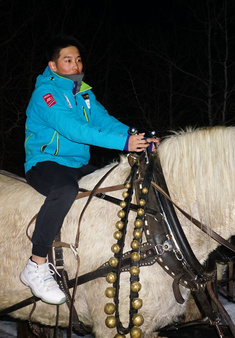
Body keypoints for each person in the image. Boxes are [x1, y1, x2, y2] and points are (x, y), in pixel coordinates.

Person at [21, 35, 159, 305]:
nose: (75, 64)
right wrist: (123, 143)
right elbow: (73, 129)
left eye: (78, 60)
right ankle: (35, 264)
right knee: (64, 189)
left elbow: (104, 121)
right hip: (45, 162)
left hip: (77, 164)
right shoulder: (45, 94)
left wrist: (138, 138)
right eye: (68, 60)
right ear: (53, 65)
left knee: (116, 184)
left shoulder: (84, 93)